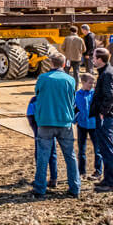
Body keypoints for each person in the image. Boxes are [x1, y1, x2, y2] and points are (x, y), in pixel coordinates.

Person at [31, 52, 80, 198]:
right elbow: (72, 99)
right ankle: (75, 187)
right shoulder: (70, 80)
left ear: (51, 63)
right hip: (64, 121)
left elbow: (37, 93)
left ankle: (40, 188)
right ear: (64, 64)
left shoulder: (43, 78)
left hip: (45, 121)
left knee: (43, 156)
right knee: (70, 156)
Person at [90, 47, 113, 193]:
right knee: (104, 148)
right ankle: (107, 179)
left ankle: (110, 183)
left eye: (94, 57)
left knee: (108, 149)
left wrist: (103, 112)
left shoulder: (107, 74)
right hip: (107, 115)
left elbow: (110, 96)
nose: (92, 59)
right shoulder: (106, 72)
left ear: (100, 60)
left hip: (107, 117)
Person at [74, 72, 101, 180]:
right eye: (90, 83)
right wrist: (74, 120)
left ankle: (98, 171)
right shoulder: (77, 95)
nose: (92, 85)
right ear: (83, 82)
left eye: (93, 83)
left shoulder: (95, 94)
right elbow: (74, 109)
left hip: (94, 125)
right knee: (81, 150)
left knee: (98, 150)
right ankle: (82, 172)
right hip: (82, 126)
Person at [27, 96, 57, 188]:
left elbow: (30, 116)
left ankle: (41, 179)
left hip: (40, 130)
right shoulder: (52, 98)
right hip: (52, 128)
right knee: (52, 154)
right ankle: (53, 178)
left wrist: (35, 129)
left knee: (40, 154)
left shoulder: (35, 100)